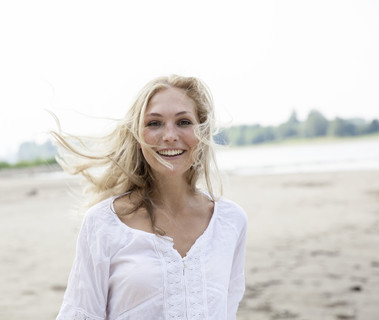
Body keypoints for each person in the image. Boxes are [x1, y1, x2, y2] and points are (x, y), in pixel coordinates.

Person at [53, 75, 247, 320]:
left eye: (184, 122)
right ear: (137, 137)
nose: (169, 135)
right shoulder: (102, 224)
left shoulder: (231, 221)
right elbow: (80, 314)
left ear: (202, 132)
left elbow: (227, 310)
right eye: (154, 123)